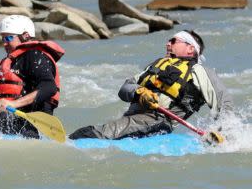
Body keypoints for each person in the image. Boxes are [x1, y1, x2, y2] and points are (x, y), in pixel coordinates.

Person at [68, 30, 233, 140]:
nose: (168, 44)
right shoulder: (155, 65)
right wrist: (139, 91)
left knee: (89, 134)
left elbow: (224, 103)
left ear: (190, 49)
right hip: (133, 119)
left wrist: (220, 132)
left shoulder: (200, 71)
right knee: (87, 132)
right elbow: (125, 87)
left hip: (157, 121)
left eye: (174, 41)